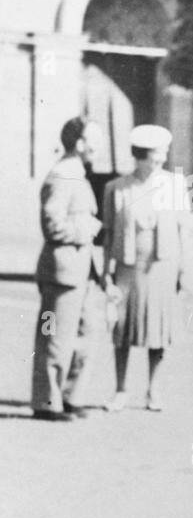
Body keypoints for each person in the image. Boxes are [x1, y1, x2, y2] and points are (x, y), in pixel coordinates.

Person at [103, 125, 184, 413]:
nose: (160, 160)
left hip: (162, 267)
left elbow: (183, 231)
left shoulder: (175, 186)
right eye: (154, 155)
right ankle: (120, 390)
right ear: (139, 156)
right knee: (122, 330)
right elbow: (109, 234)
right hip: (127, 267)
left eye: (163, 154)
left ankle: (153, 391)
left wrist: (182, 270)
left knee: (157, 331)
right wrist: (106, 274)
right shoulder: (116, 188)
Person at [31, 117, 106, 422]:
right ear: (79, 144)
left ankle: (70, 396)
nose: (98, 147)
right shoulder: (62, 175)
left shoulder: (77, 174)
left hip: (81, 270)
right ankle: (47, 402)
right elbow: (53, 225)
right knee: (54, 336)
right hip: (62, 271)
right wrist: (87, 228)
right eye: (94, 141)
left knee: (86, 334)